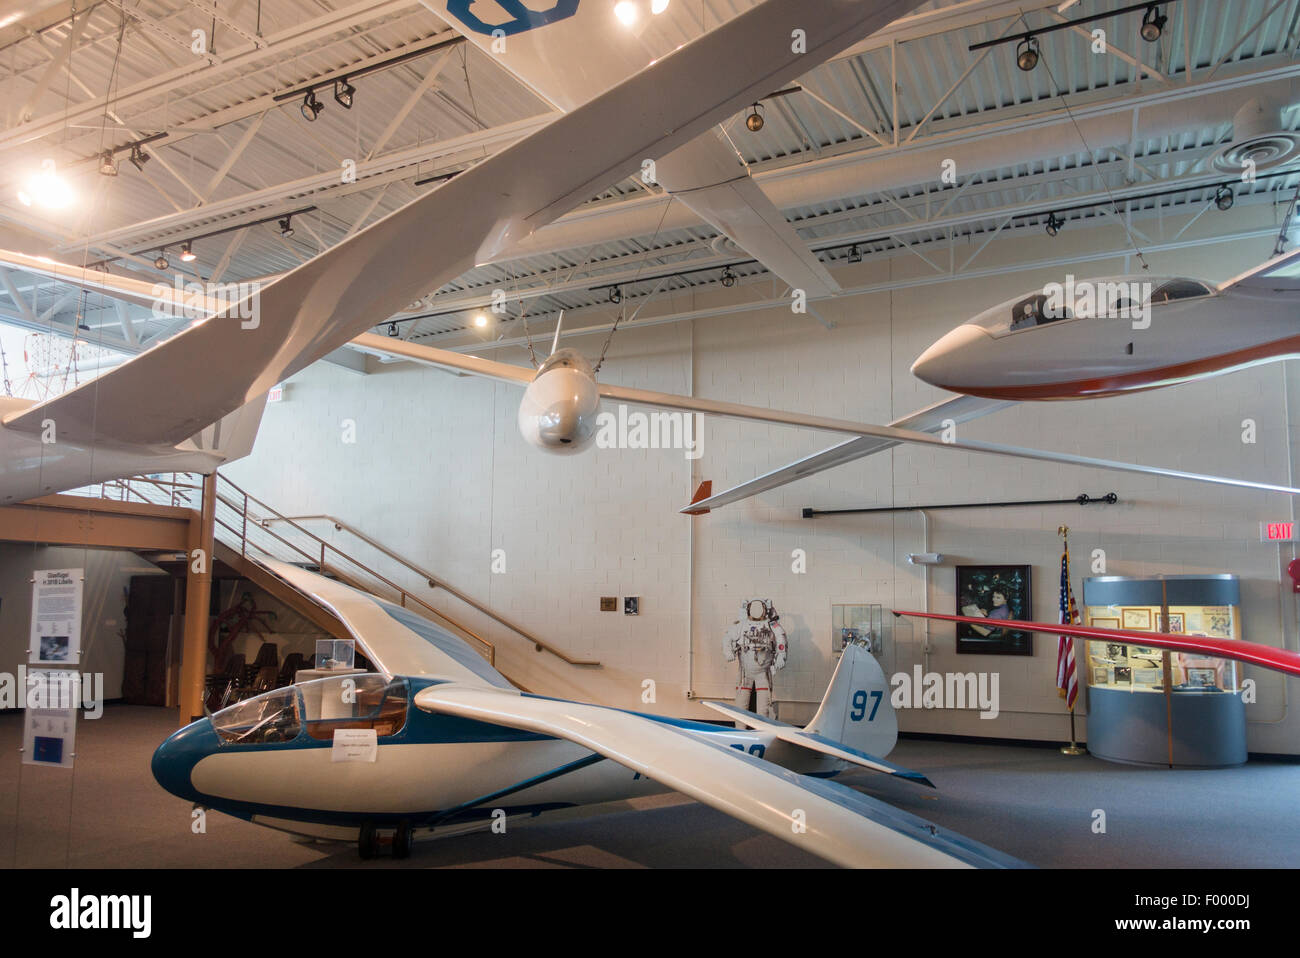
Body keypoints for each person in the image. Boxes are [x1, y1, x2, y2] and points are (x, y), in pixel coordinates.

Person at [723, 599, 788, 719]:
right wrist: (728, 652)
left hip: (763, 672)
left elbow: (781, 639)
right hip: (745, 673)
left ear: (765, 609)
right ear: (748, 610)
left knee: (764, 709)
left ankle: (762, 731)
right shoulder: (741, 625)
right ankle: (740, 732)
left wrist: (781, 656)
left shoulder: (771, 625)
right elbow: (727, 638)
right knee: (740, 706)